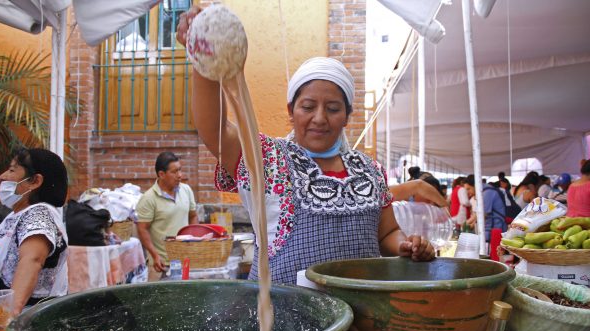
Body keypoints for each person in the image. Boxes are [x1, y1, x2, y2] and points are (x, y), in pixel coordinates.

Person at [176, 8, 435, 285]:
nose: (320, 118)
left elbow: (385, 235)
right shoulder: (268, 159)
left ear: (347, 116)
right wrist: (203, 57)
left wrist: (406, 246)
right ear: (291, 110)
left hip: (359, 316)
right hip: (284, 316)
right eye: (308, 107)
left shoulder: (369, 171)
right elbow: (214, 129)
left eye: (333, 108)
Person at [0, 148, 69, 315]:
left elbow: (32, 260)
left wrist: (6, 318)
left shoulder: (39, 214)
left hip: (25, 324)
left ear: (35, 181)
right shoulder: (17, 214)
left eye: (12, 170)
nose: (2, 176)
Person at [136, 152, 198, 281]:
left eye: (180, 170)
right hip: (161, 265)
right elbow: (142, 229)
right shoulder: (148, 198)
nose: (180, 175)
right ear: (161, 174)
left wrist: (194, 242)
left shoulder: (186, 190)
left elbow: (193, 216)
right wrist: (155, 255)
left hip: (186, 262)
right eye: (174, 172)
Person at [463, 174, 507, 241]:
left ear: (475, 185)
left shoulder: (487, 193)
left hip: (495, 230)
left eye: (468, 189)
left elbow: (482, 214)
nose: (468, 192)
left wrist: (469, 223)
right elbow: (479, 213)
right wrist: (468, 222)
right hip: (491, 229)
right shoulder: (484, 191)